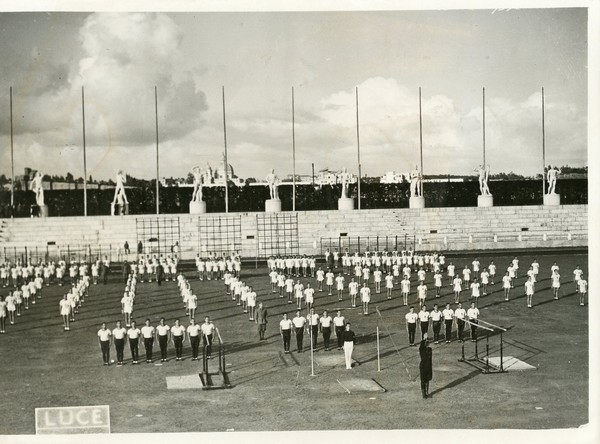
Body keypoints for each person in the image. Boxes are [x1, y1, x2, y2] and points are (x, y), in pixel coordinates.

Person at [419, 333, 433, 399]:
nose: (427, 343)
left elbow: (430, 360)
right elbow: (421, 346)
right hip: (423, 366)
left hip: (428, 366)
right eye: (426, 342)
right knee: (423, 380)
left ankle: (427, 392)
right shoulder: (422, 349)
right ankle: (423, 394)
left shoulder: (430, 350)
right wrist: (424, 339)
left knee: (428, 379)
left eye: (428, 342)